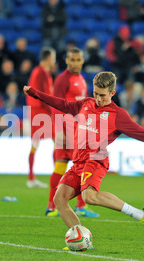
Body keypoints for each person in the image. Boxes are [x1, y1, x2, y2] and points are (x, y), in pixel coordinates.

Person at [23, 71, 144, 237]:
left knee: (89, 197)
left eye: (102, 95)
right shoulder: (85, 104)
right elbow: (62, 104)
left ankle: (140, 215)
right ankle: (82, 237)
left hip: (96, 159)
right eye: (95, 94)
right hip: (78, 162)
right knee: (59, 199)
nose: (98, 99)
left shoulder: (118, 115)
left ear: (112, 93)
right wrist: (35, 93)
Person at [47, 47, 99, 218]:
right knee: (75, 165)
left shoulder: (82, 79)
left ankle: (57, 207)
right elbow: (56, 105)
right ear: (66, 61)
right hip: (67, 128)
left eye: (78, 59)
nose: (76, 63)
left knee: (67, 165)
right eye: (72, 60)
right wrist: (59, 130)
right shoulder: (62, 80)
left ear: (82, 60)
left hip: (79, 128)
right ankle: (68, 206)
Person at [25, 48, 56, 188]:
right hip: (41, 111)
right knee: (58, 140)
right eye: (53, 57)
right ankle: (59, 177)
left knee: (36, 143)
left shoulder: (38, 71)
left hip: (37, 110)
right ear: (49, 58)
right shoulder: (42, 72)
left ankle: (31, 177)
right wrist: (52, 110)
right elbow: (43, 95)